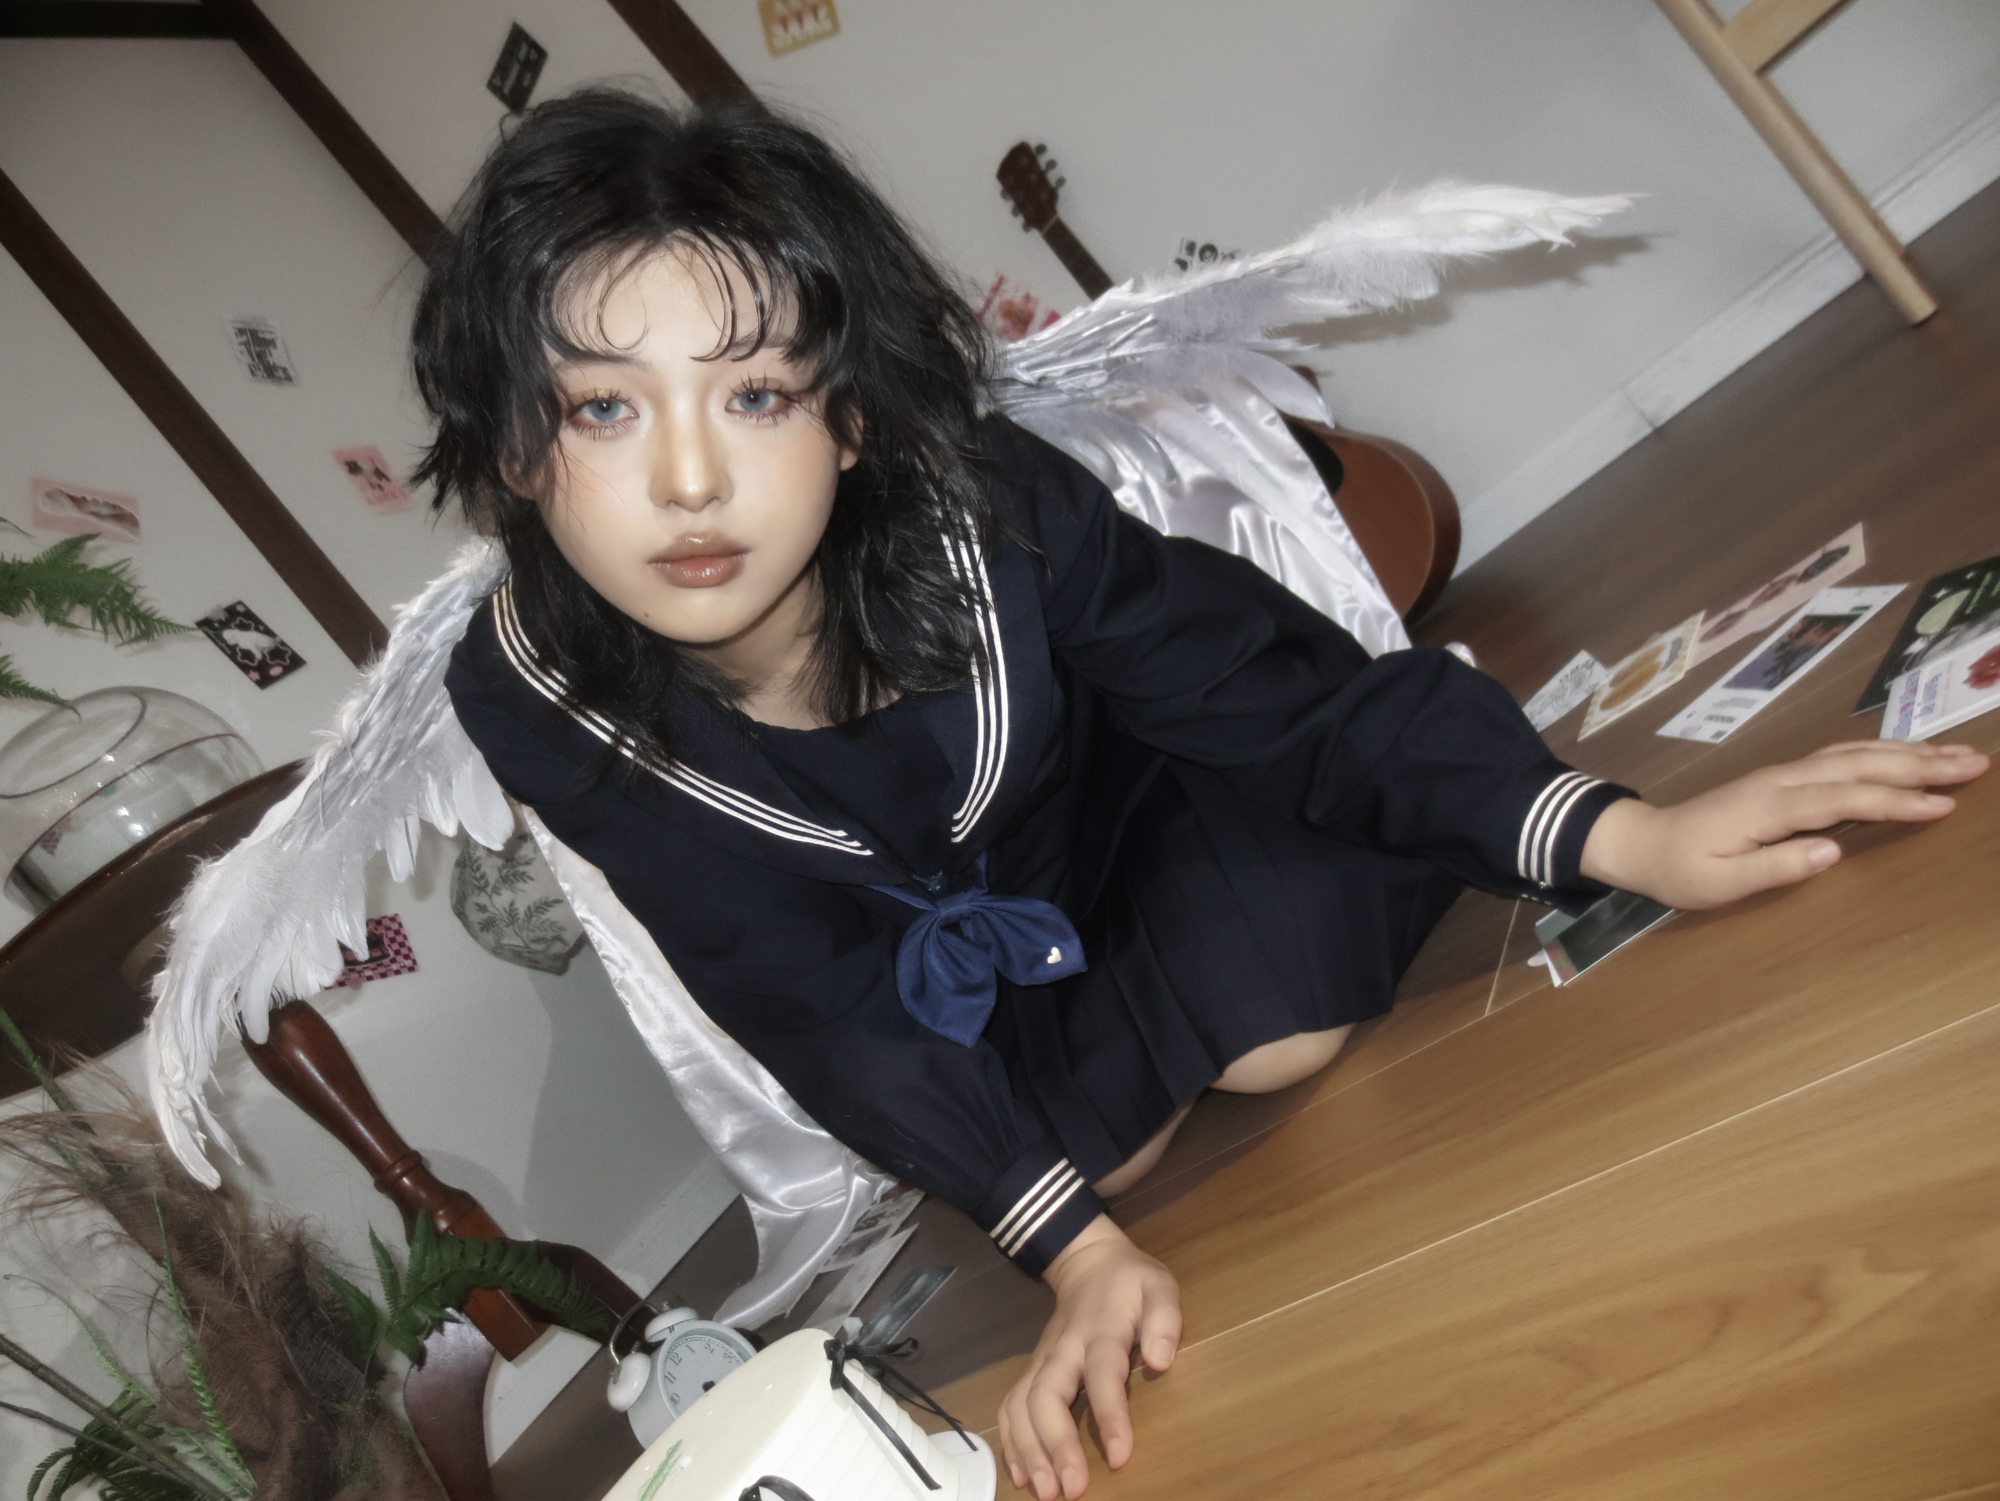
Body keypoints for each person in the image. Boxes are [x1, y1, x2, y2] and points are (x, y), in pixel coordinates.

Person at [415, 91, 1986, 1501]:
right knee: (1097, 1177)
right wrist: (1075, 1254)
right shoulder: (525, 692)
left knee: (1284, 1028)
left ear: (853, 415)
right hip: (967, 995)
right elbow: (794, 985)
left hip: (1158, 813)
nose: (689, 481)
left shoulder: (988, 502)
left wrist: (1629, 834)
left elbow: (1267, 693)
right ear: (515, 455)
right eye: (604, 409)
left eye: (756, 394)